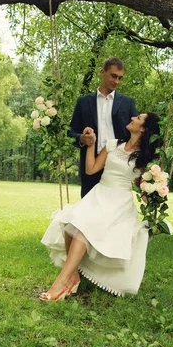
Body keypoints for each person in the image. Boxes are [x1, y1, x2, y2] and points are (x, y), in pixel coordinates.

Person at [40, 112, 162, 300]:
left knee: (83, 230)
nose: (133, 117)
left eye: (138, 118)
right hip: (99, 194)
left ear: (143, 128)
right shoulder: (113, 144)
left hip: (119, 203)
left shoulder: (144, 158)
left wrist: (157, 191)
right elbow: (91, 169)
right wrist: (91, 145)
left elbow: (145, 189)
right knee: (68, 221)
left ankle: (61, 282)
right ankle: (72, 276)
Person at [69, 57, 138, 198]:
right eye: (113, 76)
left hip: (117, 166)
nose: (116, 81)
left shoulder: (128, 103)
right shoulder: (83, 102)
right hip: (91, 164)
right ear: (102, 72)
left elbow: (136, 133)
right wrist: (81, 138)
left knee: (114, 211)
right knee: (88, 208)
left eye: (120, 78)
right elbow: (71, 132)